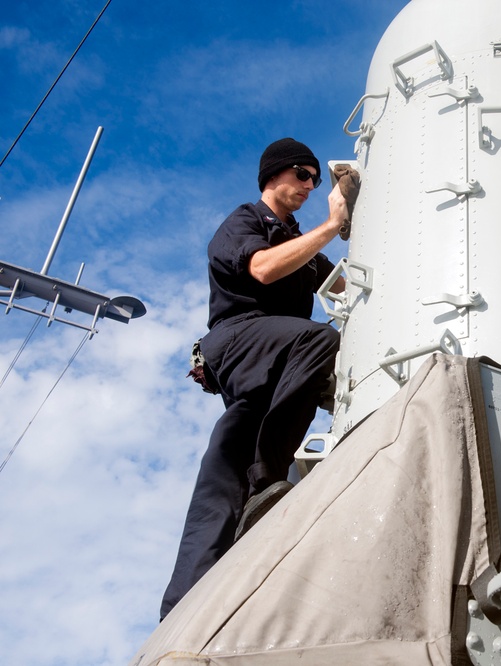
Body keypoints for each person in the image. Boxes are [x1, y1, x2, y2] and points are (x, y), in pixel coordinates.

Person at [160, 138, 352, 620]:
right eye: (301, 175)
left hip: (272, 364)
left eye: (314, 177)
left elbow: (347, 285)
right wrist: (332, 225)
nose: (309, 184)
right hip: (236, 339)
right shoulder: (247, 220)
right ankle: (269, 477)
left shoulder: (304, 249)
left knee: (227, 471)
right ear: (274, 175)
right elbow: (262, 269)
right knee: (318, 340)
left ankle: (184, 611)